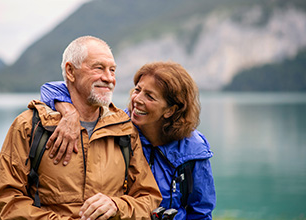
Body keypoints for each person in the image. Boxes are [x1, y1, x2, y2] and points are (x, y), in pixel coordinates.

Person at [0, 36, 162, 220]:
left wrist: (116, 206)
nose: (109, 78)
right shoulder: (29, 126)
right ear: (70, 71)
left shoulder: (125, 129)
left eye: (112, 70)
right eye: (98, 68)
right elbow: (5, 203)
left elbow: (149, 199)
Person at [41, 61, 216, 219]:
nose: (137, 100)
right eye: (137, 89)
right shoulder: (117, 126)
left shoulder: (193, 149)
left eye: (150, 96)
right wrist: (69, 112)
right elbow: (49, 89)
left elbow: (200, 212)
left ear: (170, 110)